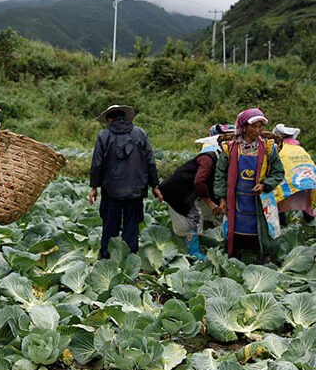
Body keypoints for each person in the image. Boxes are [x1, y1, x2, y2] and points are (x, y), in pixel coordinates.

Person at [89, 104, 162, 256]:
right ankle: (129, 259)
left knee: (110, 225)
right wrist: (155, 185)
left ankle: (108, 257)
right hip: (136, 189)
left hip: (111, 190)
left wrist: (94, 187)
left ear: (109, 119)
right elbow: (150, 161)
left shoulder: (103, 136)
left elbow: (97, 164)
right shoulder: (140, 134)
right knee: (131, 226)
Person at [214, 108, 285, 261]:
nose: (258, 130)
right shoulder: (230, 148)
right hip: (236, 198)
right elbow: (220, 174)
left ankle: (262, 257)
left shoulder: (268, 148)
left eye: (261, 126)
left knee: (261, 230)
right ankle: (235, 257)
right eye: (254, 126)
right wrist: (221, 198)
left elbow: (278, 173)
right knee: (235, 230)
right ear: (244, 127)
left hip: (260, 199)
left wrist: (265, 184)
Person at [159, 124, 232, 259]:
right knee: (194, 217)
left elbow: (217, 181)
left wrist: (221, 200)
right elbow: (199, 182)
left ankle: (202, 243)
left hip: (191, 191)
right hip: (179, 191)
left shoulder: (222, 158)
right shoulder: (208, 158)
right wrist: (210, 203)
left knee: (202, 216)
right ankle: (194, 253)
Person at [272, 124, 316, 223]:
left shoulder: (278, 149)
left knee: (279, 198)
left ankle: (281, 223)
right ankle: (309, 221)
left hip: (289, 180)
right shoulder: (300, 149)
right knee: (306, 203)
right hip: (308, 180)